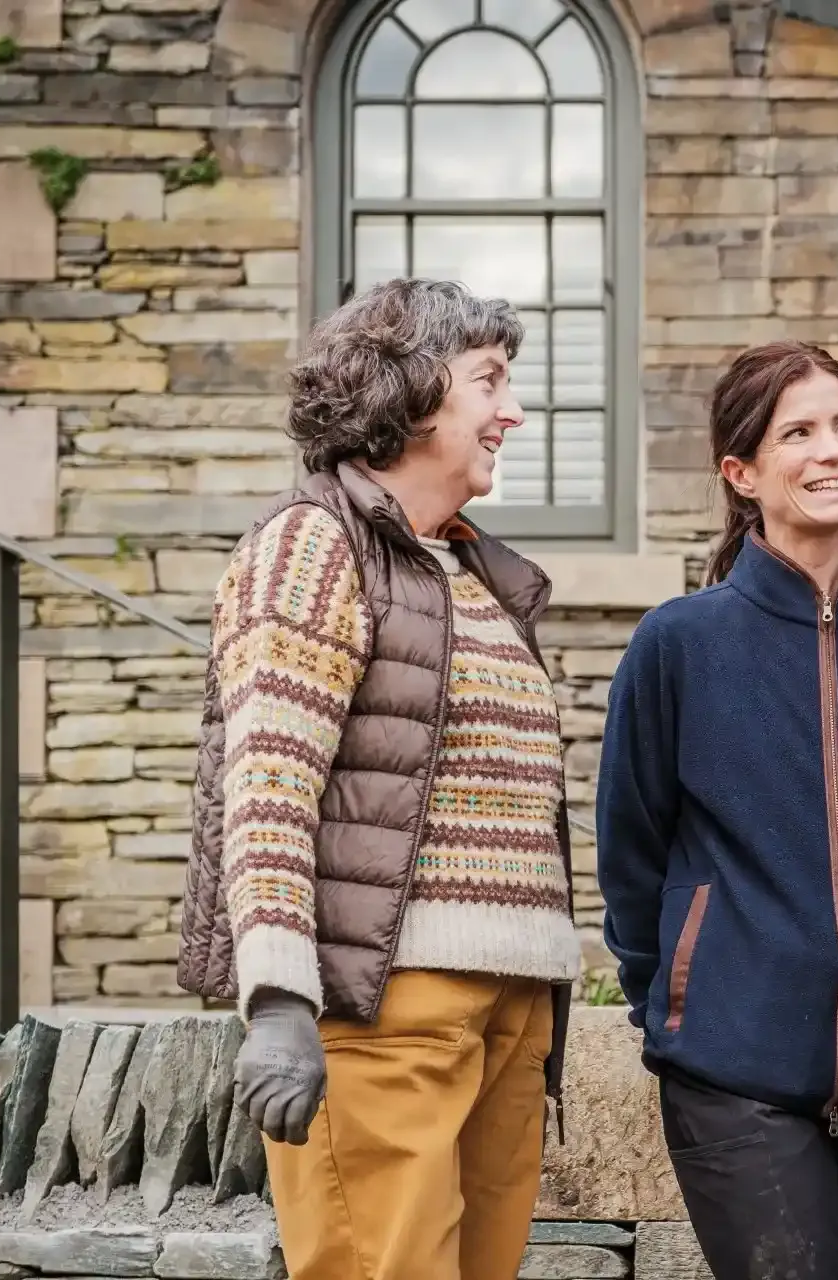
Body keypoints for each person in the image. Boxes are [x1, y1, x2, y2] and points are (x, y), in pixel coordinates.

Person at [176, 278, 583, 1280]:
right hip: (380, 1004)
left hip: (508, 1004)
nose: (513, 410)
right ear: (409, 394)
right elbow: (268, 785)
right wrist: (277, 997)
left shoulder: (472, 572)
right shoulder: (313, 544)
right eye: (489, 381)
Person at [596, 340, 838, 1280]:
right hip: (734, 1072)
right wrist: (677, 1000)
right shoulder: (679, 645)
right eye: (797, 432)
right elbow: (631, 848)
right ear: (742, 472)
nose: (833, 450)